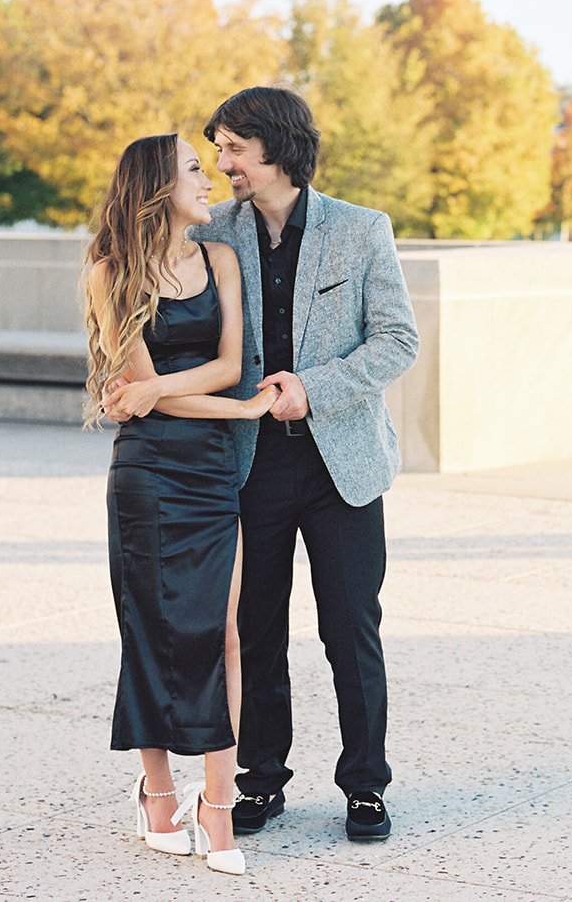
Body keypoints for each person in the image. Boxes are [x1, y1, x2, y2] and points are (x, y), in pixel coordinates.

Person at [191, 85, 418, 841]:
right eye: (218, 149)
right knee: (254, 627)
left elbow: (396, 340)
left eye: (232, 148)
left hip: (340, 464)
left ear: (277, 149)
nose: (222, 163)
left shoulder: (361, 231)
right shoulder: (212, 232)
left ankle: (365, 785)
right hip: (248, 463)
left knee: (350, 627)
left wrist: (311, 389)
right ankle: (260, 781)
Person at [86, 133, 282, 877]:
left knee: (222, 631)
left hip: (207, 476)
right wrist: (238, 412)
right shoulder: (111, 273)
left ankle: (218, 802)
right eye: (194, 168)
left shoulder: (220, 261)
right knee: (150, 629)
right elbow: (148, 396)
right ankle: (158, 793)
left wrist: (157, 390)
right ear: (157, 186)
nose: (209, 178)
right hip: (147, 472)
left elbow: (228, 366)